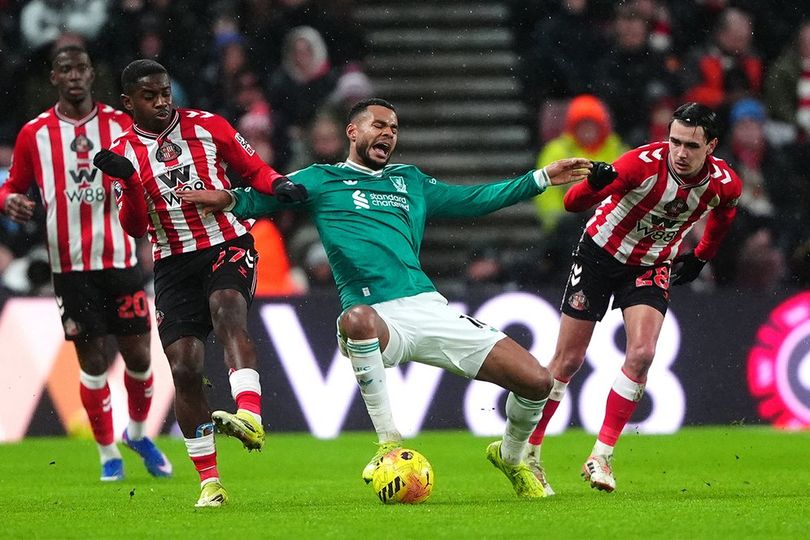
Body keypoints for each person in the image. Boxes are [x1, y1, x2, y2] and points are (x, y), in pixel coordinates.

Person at [179, 98, 592, 499]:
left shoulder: (409, 179)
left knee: (537, 382)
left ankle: (510, 456)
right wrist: (227, 198)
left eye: (394, 128)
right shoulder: (321, 179)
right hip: (376, 316)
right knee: (355, 319)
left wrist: (541, 178)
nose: (388, 134)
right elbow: (260, 198)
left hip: (428, 307)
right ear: (352, 131)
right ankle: (388, 443)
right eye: (379, 125)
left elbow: (474, 199)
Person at [91, 59, 307, 507]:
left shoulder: (209, 126)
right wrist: (129, 182)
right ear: (128, 102)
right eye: (149, 96)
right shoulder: (122, 152)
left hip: (225, 242)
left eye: (166, 91)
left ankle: (249, 414)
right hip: (172, 263)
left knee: (228, 310)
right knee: (185, 368)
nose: (162, 101)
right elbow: (132, 227)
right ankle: (210, 483)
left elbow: (253, 169)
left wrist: (280, 183)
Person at [525, 102, 742, 495]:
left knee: (642, 354)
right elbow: (572, 203)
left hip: (650, 264)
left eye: (691, 146)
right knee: (568, 360)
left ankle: (601, 457)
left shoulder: (724, 183)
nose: (680, 152)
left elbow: (725, 214)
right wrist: (595, 183)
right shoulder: (640, 164)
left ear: (711, 145)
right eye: (675, 141)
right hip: (599, 254)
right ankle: (530, 453)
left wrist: (702, 254)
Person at [0, 45, 171, 482]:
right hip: (70, 267)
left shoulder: (120, 124)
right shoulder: (33, 134)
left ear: (93, 74)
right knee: (92, 364)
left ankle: (136, 433)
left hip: (120, 258)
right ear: (54, 78)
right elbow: (12, 187)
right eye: (65, 70)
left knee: (139, 359)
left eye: (81, 68)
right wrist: (10, 201)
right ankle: (107, 453)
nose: (74, 76)